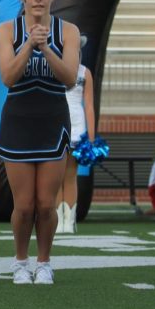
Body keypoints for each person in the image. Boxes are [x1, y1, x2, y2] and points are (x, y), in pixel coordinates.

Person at [0, 0, 80, 285]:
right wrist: (29, 44)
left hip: (53, 122)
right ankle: (20, 261)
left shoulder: (68, 31)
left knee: (46, 203)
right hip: (18, 121)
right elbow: (8, 77)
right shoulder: (7, 31)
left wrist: (45, 47)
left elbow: (70, 78)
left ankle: (44, 262)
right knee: (24, 205)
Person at [56, 50, 95, 234]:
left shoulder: (84, 72)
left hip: (77, 127)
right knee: (54, 177)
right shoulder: (54, 68)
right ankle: (56, 220)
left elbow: (88, 105)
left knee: (70, 176)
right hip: (55, 124)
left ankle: (69, 222)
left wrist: (91, 137)